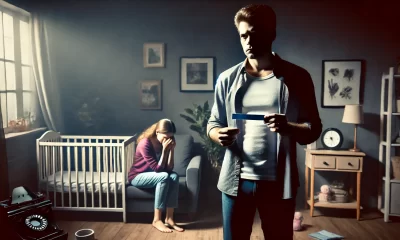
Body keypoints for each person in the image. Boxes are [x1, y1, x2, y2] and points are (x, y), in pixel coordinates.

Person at [207, 4, 322, 240]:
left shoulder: (297, 77)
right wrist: (218, 135)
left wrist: (289, 127)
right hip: (235, 182)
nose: (248, 41)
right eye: (243, 35)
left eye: (254, 33)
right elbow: (213, 123)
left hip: (278, 185)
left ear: (271, 34)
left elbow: (314, 129)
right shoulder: (227, 79)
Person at [128, 119, 184, 233]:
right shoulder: (145, 143)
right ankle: (157, 220)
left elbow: (169, 169)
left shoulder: (165, 142)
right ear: (157, 132)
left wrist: (171, 150)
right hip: (137, 176)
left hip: (155, 175)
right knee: (163, 176)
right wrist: (164, 150)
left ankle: (169, 218)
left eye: (170, 137)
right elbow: (158, 169)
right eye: (165, 137)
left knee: (174, 176)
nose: (167, 140)